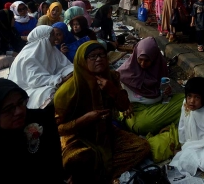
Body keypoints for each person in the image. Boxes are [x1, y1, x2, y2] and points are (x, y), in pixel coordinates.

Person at [54, 41, 151, 184]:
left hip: (106, 133)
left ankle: (97, 174)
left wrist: (112, 90)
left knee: (142, 147)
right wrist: (85, 120)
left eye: (101, 55)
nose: (99, 59)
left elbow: (125, 107)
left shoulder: (111, 78)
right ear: (82, 61)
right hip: (78, 138)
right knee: (78, 159)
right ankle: (99, 171)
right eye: (92, 57)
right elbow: (58, 129)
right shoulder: (67, 91)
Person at [0, 78, 65, 183]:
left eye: (21, 102)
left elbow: (55, 165)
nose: (19, 111)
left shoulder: (41, 120)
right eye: (8, 109)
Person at [117, 37, 184, 135]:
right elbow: (115, 94)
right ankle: (173, 122)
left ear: (154, 58)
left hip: (158, 105)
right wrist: (124, 105)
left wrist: (166, 92)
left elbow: (161, 89)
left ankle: (168, 123)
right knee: (141, 124)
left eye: (147, 60)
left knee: (187, 100)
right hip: (136, 111)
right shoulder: (124, 72)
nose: (143, 64)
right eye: (140, 60)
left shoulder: (160, 67)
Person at [7, 26, 74, 109]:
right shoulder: (29, 56)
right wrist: (60, 80)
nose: (55, 37)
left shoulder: (52, 49)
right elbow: (35, 80)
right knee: (49, 93)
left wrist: (70, 72)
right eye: (53, 35)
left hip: (49, 80)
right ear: (45, 38)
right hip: (29, 87)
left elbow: (64, 65)